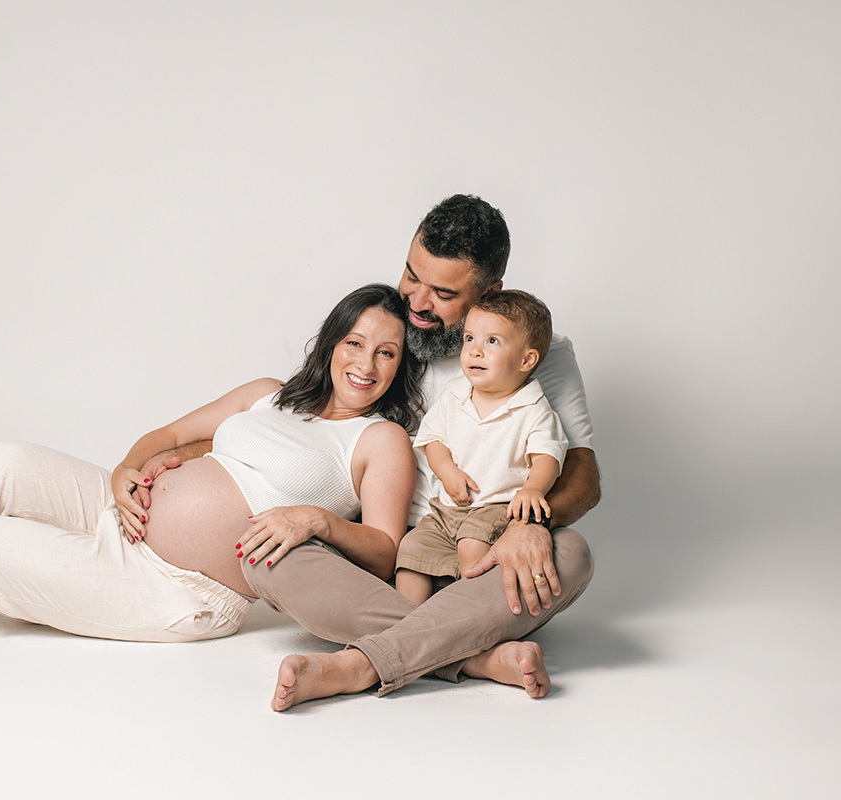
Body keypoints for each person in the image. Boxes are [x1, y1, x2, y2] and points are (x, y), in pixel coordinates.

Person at [0, 284, 421, 642]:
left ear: (400, 366)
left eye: (386, 353)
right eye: (355, 343)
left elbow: (384, 551)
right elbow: (169, 433)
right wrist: (126, 471)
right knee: (5, 459)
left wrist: (316, 520)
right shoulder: (268, 393)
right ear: (332, 342)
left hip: (181, 588)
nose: (365, 364)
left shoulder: (379, 439)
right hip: (123, 514)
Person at [236, 194, 600, 710]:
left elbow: (583, 477)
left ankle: (359, 665)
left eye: (444, 293)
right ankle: (472, 657)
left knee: (572, 554)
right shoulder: (390, 330)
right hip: (381, 557)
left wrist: (528, 526)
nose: (418, 301)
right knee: (263, 554)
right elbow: (306, 412)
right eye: (412, 275)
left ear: (490, 292)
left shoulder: (536, 352)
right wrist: (189, 448)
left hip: (483, 553)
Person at [394, 289, 567, 605]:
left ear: (526, 360)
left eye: (492, 341)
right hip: (446, 509)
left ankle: (468, 614)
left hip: (497, 507)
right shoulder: (455, 394)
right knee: (411, 551)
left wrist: (533, 490)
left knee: (472, 545)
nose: (474, 351)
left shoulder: (533, 410)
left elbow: (547, 457)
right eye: (470, 339)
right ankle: (408, 621)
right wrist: (447, 472)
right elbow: (434, 440)